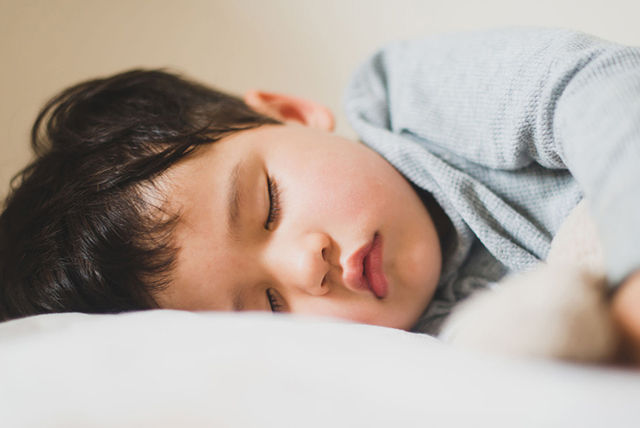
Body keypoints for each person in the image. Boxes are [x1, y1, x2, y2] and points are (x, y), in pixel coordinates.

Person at [1, 27, 639, 362]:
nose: (309, 265)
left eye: (269, 206)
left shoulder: (411, 100)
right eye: (271, 307)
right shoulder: (415, 354)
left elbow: (597, 90)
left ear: (291, 113)